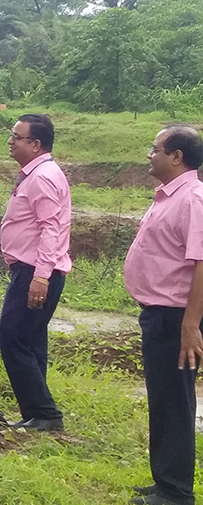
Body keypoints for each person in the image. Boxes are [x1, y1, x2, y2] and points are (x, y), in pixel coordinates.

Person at [123, 126, 203, 505]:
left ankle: (176, 492)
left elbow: (202, 264)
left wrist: (190, 325)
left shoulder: (193, 199)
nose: (149, 155)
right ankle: (166, 480)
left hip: (175, 318)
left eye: (154, 149)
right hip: (160, 314)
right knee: (164, 397)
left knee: (174, 399)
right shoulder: (169, 196)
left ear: (177, 157)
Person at [0, 113, 71, 431]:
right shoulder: (36, 173)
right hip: (33, 269)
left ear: (36, 144)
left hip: (35, 271)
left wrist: (40, 276)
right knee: (30, 339)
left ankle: (44, 412)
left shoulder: (42, 176)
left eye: (17, 137)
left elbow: (50, 229)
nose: (11, 141)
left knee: (13, 338)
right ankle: (38, 414)